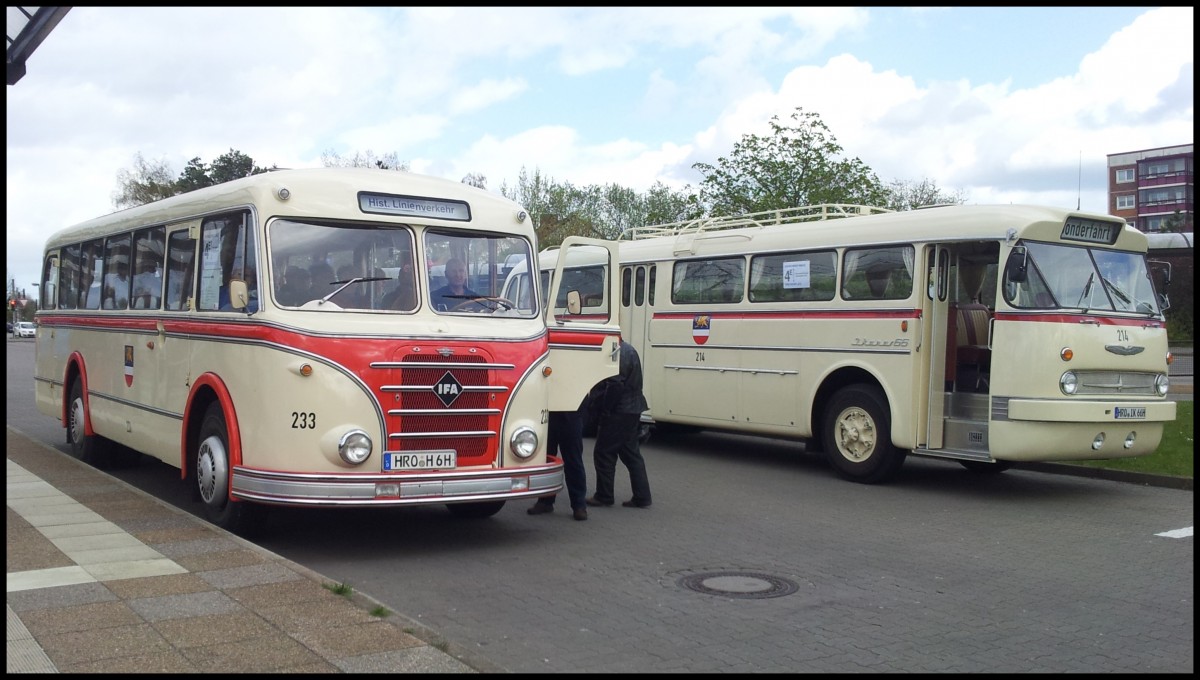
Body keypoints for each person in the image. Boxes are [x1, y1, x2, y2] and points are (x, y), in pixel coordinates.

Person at [587, 339, 652, 509]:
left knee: (604, 452)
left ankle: (604, 495)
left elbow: (615, 384)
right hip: (633, 407)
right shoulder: (629, 349)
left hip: (619, 411)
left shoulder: (616, 352)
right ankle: (642, 496)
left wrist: (605, 409)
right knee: (631, 453)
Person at [527, 393, 591, 521]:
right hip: (550, 413)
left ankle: (578, 504)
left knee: (573, 462)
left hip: (571, 413)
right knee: (547, 460)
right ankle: (546, 500)